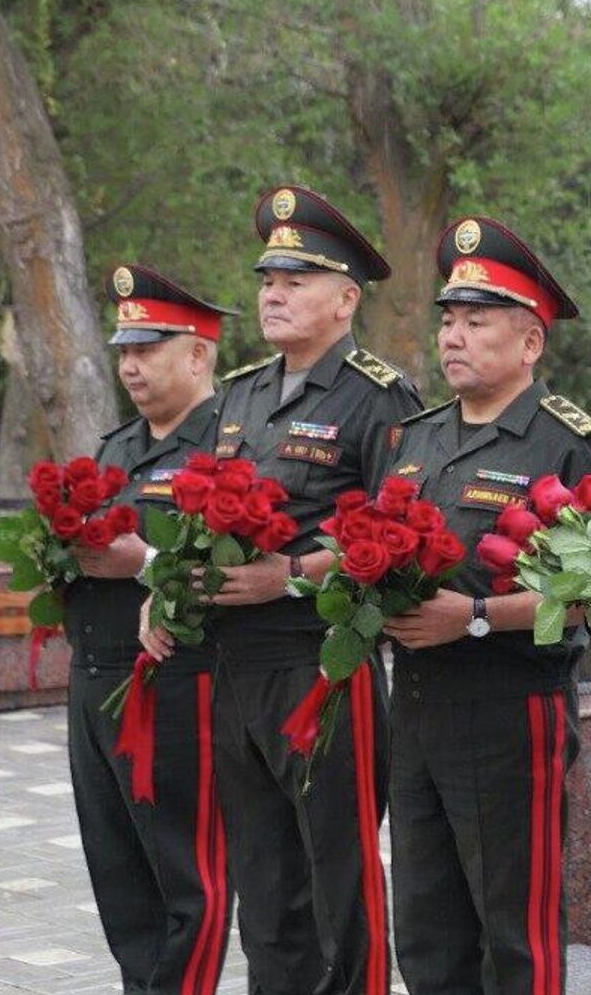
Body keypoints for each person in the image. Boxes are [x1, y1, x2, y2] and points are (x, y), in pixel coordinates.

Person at [144, 184, 421, 995]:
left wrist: (292, 575)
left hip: (320, 667)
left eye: (296, 281)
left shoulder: (380, 395)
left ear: (345, 300)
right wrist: (167, 582)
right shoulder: (241, 393)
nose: (274, 294)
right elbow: (200, 510)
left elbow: (398, 532)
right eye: (269, 280)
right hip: (234, 665)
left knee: (341, 873)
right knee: (263, 881)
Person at [378, 215, 591, 994]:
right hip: (417, 708)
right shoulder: (415, 439)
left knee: (514, 935)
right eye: (449, 319)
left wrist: (477, 617)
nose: (454, 336)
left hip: (511, 709)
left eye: (477, 321)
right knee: (426, 931)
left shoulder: (567, 444)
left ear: (530, 342)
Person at [64, 264, 235, 994]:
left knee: (186, 874)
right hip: (92, 678)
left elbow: (235, 570)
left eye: (147, 349)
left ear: (197, 354)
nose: (130, 365)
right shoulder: (116, 447)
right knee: (119, 875)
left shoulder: (228, 447)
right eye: (124, 351)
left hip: (176, 683)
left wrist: (144, 562)